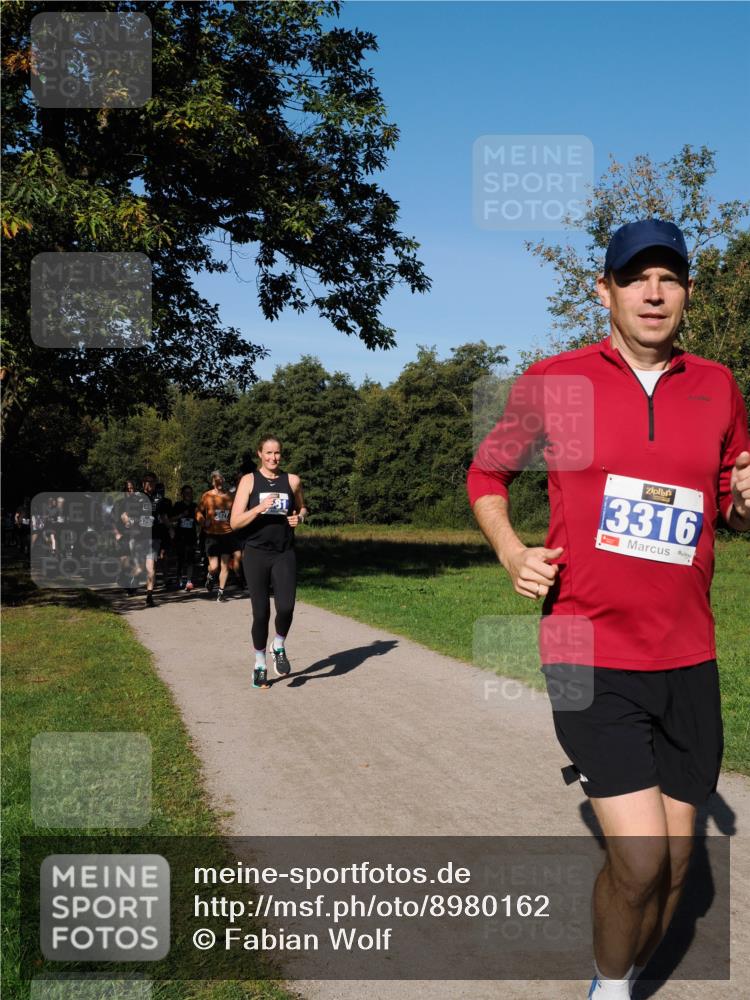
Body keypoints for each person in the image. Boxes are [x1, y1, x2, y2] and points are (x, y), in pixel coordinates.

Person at [467, 219, 750, 999]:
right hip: (585, 649)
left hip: (689, 653)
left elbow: (730, 503)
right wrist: (512, 552)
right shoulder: (557, 380)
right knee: (641, 861)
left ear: (687, 292)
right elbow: (486, 476)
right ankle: (609, 988)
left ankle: (619, 975)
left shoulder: (718, 385)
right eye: (636, 278)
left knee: (681, 867)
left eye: (670, 278)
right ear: (606, 291)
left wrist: (744, 504)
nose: (654, 293)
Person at [230, 436, 308, 689]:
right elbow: (235, 522)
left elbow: (302, 508)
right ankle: (260, 664)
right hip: (255, 553)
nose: (273, 458)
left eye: (277, 453)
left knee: (286, 607)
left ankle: (279, 644)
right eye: (268, 453)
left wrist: (300, 518)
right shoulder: (249, 481)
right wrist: (258, 508)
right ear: (259, 454)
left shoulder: (292, 481)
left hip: (284, 552)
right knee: (261, 612)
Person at [196, 471, 241, 603]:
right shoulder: (207, 496)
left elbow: (237, 512)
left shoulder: (231, 497)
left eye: (221, 480)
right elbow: (198, 511)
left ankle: (221, 593)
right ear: (213, 482)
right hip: (212, 535)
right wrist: (203, 521)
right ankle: (210, 575)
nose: (219, 482)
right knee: (214, 567)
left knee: (225, 565)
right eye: (216, 480)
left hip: (227, 534)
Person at [171, 485, 198, 591]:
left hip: (191, 536)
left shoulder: (195, 506)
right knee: (180, 559)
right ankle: (179, 580)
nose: (188, 495)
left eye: (190, 493)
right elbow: (171, 518)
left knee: (190, 560)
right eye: (186, 493)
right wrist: (181, 515)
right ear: (182, 494)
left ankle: (189, 581)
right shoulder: (178, 505)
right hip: (180, 536)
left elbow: (199, 520)